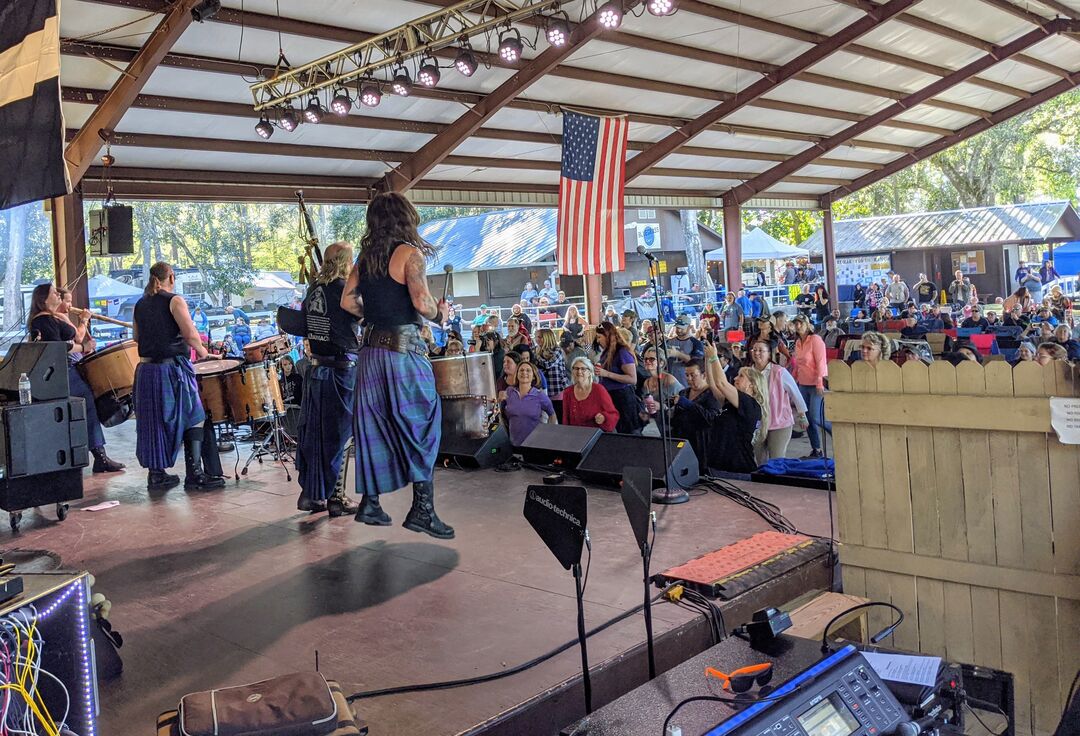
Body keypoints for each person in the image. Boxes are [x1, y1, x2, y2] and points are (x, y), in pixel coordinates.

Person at [344, 192, 452, 539]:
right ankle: (423, 510)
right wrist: (440, 313)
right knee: (421, 421)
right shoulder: (409, 253)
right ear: (404, 216)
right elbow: (422, 301)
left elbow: (348, 302)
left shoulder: (366, 258)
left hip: (370, 353)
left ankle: (370, 503)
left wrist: (374, 316)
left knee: (373, 423)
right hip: (402, 352)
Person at [131, 262, 224, 491]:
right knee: (195, 415)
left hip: (145, 371)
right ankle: (195, 474)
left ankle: (156, 475)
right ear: (171, 277)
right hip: (170, 370)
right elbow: (191, 334)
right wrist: (205, 353)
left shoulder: (140, 304)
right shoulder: (174, 300)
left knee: (153, 423)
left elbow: (136, 337)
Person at [27, 284, 125, 474]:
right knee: (85, 407)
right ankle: (97, 456)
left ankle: (98, 455)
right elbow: (58, 347)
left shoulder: (51, 318)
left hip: (64, 372)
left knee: (87, 408)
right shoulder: (43, 320)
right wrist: (84, 347)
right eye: (55, 293)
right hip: (62, 373)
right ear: (43, 300)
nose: (58, 295)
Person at [294, 242, 361, 516]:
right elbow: (363, 315)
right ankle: (336, 497)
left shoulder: (313, 290)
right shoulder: (344, 290)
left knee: (316, 434)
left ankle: (312, 494)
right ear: (347, 261)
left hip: (316, 369)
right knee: (340, 434)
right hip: (340, 370)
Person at [702, 347, 764, 474]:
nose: (735, 379)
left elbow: (721, 383)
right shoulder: (731, 403)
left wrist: (714, 357)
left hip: (737, 468)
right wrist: (708, 358)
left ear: (752, 384)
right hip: (720, 465)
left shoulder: (750, 404)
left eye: (741, 376)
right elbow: (712, 384)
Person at [747, 340, 807, 462]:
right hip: (757, 423)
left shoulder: (779, 372)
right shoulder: (748, 373)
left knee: (777, 459)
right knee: (759, 460)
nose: (757, 353)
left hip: (780, 423)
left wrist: (802, 415)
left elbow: (795, 393)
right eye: (754, 350)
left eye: (761, 350)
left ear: (769, 354)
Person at [668, 360, 722, 476]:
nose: (689, 379)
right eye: (687, 375)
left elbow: (711, 419)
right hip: (683, 441)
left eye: (693, 375)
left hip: (702, 443)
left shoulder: (712, 394)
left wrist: (688, 404)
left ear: (704, 375)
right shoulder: (683, 393)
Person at [593, 322, 644, 434]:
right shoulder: (607, 352)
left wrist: (607, 374)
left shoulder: (622, 352)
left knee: (630, 433)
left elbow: (632, 379)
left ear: (607, 336)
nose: (598, 341)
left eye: (599, 337)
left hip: (623, 398)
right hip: (610, 396)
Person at [790, 315, 828, 459]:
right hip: (803, 383)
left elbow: (821, 363)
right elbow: (798, 364)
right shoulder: (798, 342)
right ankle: (816, 449)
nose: (798, 326)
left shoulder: (815, 340)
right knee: (807, 418)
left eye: (800, 323)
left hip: (814, 383)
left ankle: (834, 431)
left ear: (807, 324)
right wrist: (793, 378)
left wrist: (820, 382)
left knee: (815, 417)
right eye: (796, 323)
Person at [503, 361, 557, 446]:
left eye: (528, 370)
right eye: (521, 370)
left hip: (535, 444)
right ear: (517, 374)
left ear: (533, 377)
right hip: (513, 443)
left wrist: (549, 435)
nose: (524, 372)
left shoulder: (540, 395)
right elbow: (500, 412)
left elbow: (552, 414)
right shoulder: (509, 391)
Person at [561, 357, 619, 432]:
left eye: (583, 369)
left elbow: (613, 414)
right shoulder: (567, 392)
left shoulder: (599, 390)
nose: (579, 371)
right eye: (576, 368)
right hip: (575, 436)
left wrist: (604, 417)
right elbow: (565, 419)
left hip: (596, 436)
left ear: (589, 372)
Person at [534, 328, 569, 420]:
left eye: (539, 337)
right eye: (536, 337)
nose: (536, 339)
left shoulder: (557, 350)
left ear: (546, 338)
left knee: (558, 416)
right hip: (544, 390)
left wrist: (537, 356)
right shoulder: (537, 350)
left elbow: (548, 364)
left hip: (557, 389)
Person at [666, 316, 705, 387]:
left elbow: (697, 363)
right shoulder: (669, 342)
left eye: (682, 328)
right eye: (677, 328)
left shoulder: (696, 343)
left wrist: (678, 354)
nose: (679, 330)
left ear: (689, 327)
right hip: (670, 383)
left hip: (687, 383)